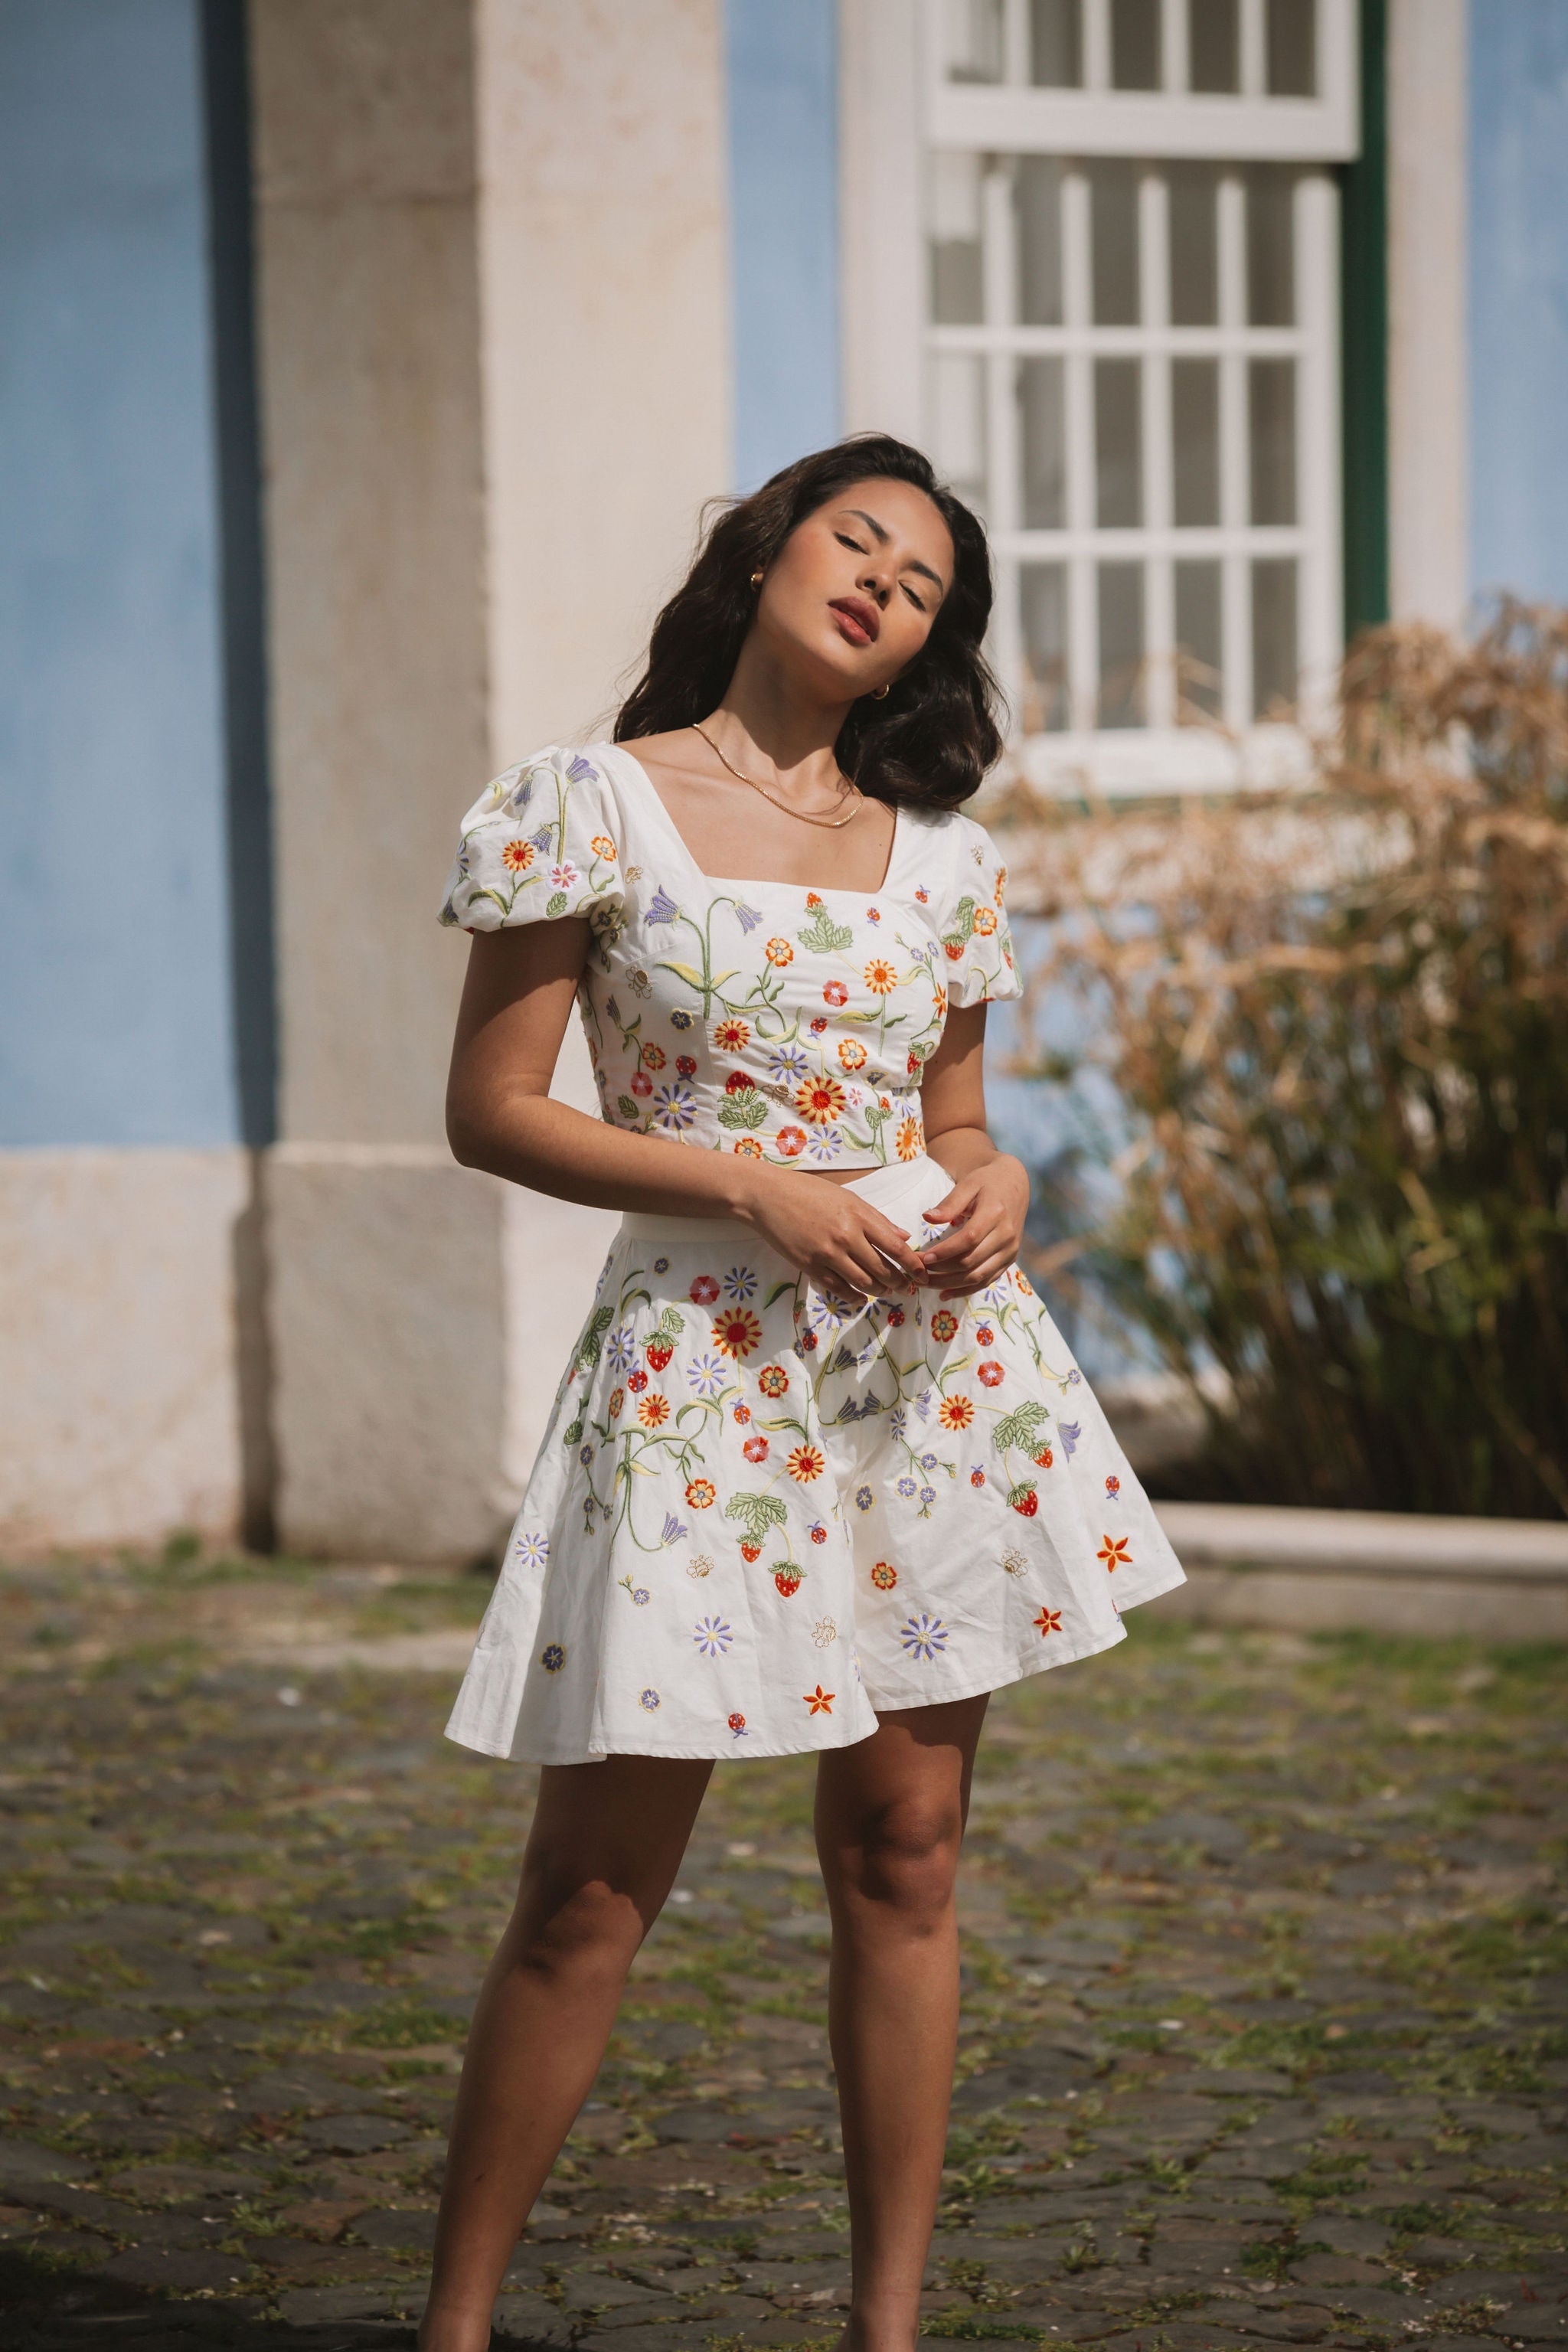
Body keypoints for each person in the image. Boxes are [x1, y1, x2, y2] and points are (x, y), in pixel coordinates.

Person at [417, 435, 1184, 2352]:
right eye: (857, 541)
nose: (880, 584)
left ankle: (886, 2331)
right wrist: (754, 1185)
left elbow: (960, 1125)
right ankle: (452, 2329)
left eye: (922, 586)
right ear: (767, 552)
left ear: (929, 648)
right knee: (592, 1887)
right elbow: (492, 1115)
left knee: (904, 1854)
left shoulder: (946, 855)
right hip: (695, 1373)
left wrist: (997, 1181)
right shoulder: (585, 806)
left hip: (926, 1373)